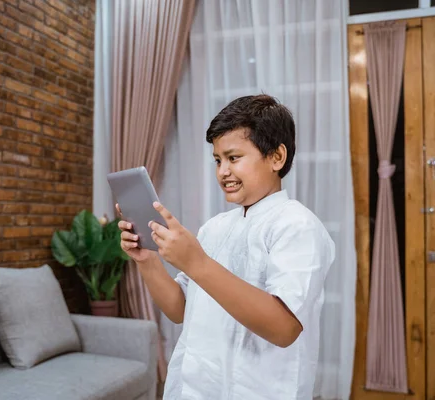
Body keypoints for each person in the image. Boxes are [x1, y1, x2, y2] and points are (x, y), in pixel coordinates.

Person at [117, 94, 335, 399]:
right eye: (218, 160)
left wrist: (197, 263)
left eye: (233, 158)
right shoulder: (215, 227)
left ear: (277, 157)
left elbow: (284, 328)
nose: (223, 171)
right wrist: (147, 260)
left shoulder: (297, 225)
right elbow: (181, 309)